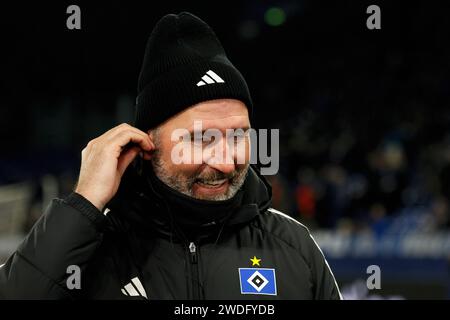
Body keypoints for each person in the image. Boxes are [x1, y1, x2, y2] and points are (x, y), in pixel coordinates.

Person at [0, 12, 341, 300]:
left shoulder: (294, 247)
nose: (225, 162)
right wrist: (83, 203)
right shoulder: (87, 249)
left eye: (238, 136)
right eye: (200, 140)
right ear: (147, 143)